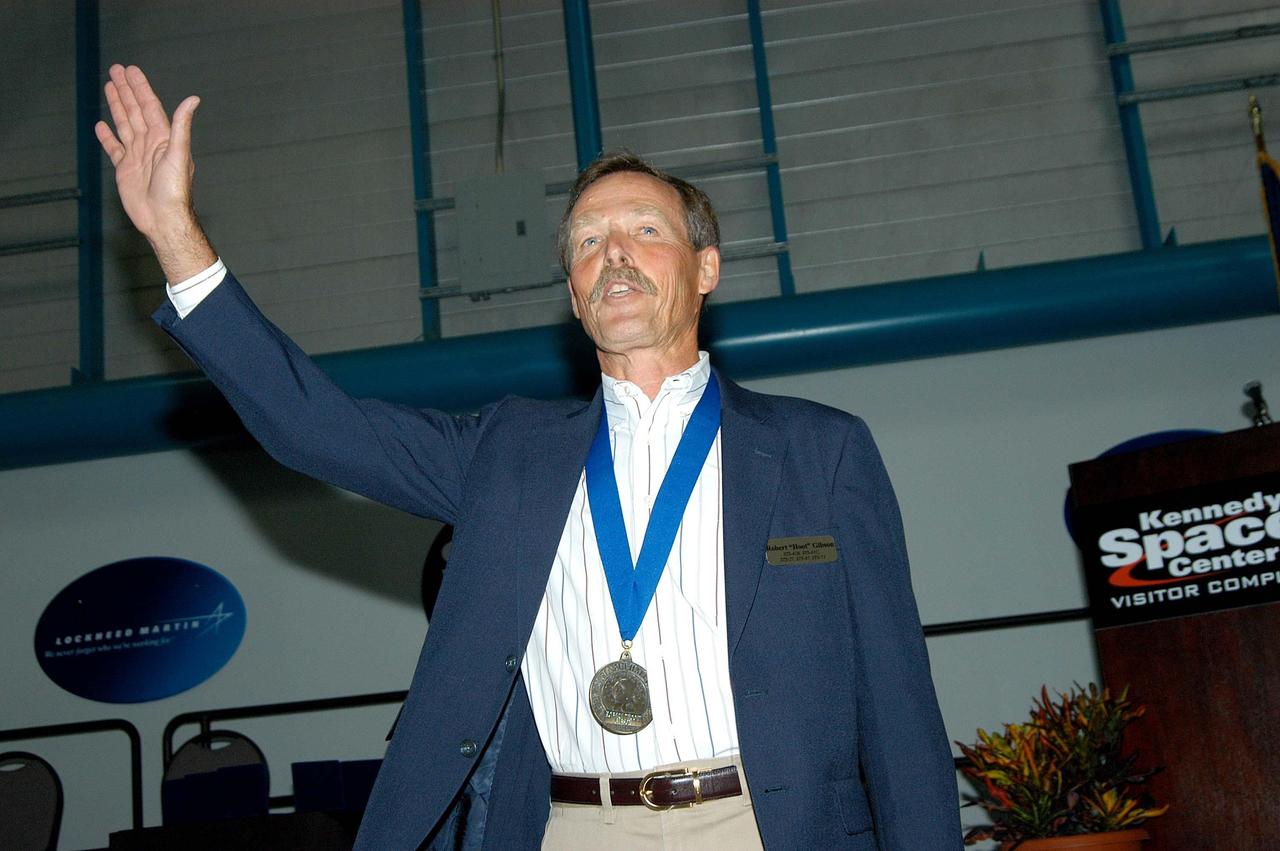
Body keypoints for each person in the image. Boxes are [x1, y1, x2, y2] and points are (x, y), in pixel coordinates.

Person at [97, 63, 962, 849]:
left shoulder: (822, 452)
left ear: (706, 269)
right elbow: (313, 425)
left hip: (769, 826)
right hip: (571, 829)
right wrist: (176, 233)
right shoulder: (508, 453)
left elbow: (898, 708)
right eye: (587, 241)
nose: (612, 251)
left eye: (642, 230)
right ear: (576, 297)